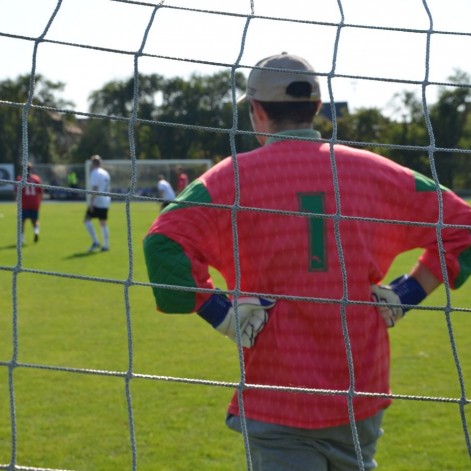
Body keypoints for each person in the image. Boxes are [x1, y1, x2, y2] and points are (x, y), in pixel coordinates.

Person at [143, 53, 471, 470]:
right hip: (361, 385)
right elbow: (464, 228)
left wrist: (219, 313)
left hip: (278, 389)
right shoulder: (377, 171)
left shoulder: (229, 179)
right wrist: (406, 292)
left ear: (256, 110)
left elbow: (163, 244)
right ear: (317, 108)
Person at [84, 155, 111, 252]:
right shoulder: (106, 173)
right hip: (106, 200)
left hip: (98, 201)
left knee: (87, 220)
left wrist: (91, 203)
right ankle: (106, 245)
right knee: (103, 222)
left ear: (93, 163)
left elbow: (95, 189)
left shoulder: (95, 173)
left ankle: (96, 241)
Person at [15, 162, 43, 244]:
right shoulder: (36, 179)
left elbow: (17, 193)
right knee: (35, 221)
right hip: (35, 203)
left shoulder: (20, 179)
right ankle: (36, 232)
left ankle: (22, 238)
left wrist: (17, 203)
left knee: (22, 222)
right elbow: (40, 192)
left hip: (24, 204)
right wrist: (39, 202)